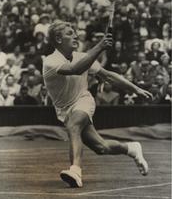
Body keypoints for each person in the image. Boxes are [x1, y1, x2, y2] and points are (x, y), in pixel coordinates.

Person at [43, 20, 152, 188]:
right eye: (70, 33)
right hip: (64, 109)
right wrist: (100, 46)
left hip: (83, 100)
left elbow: (108, 76)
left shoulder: (83, 57)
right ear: (58, 39)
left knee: (73, 125)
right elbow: (75, 69)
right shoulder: (50, 61)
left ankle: (75, 171)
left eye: (75, 32)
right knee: (101, 147)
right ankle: (131, 148)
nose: (76, 36)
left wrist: (135, 89)